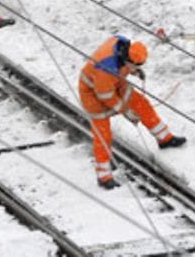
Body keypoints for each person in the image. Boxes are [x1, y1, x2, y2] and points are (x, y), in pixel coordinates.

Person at [79, 36, 186, 189]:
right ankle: (104, 177)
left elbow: (120, 69)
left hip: (114, 82)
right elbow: (105, 95)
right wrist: (125, 111)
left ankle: (164, 139)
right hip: (92, 94)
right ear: (128, 61)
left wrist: (134, 71)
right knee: (103, 135)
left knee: (140, 103)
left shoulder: (122, 47)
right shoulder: (106, 69)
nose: (135, 69)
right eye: (135, 67)